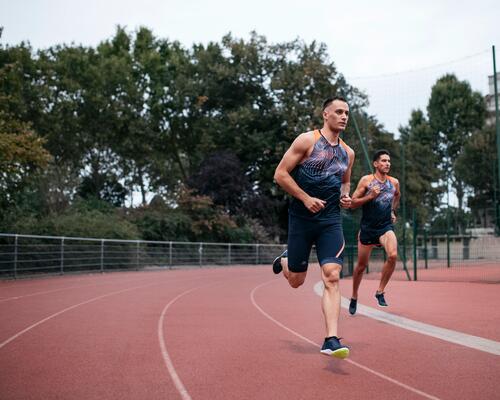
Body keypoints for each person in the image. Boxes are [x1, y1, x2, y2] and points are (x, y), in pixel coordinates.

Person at [272, 96, 355, 359]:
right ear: (326, 115)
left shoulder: (348, 153)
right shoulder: (306, 140)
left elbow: (345, 182)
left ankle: (331, 339)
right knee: (296, 281)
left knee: (331, 274)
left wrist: (345, 196)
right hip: (301, 219)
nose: (344, 117)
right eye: (339, 112)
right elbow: (280, 174)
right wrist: (305, 198)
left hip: (330, 221)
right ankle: (286, 261)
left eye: (347, 113)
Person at [348, 149, 401, 315]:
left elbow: (397, 196)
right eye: (383, 161)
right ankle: (354, 296)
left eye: (389, 161)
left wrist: (392, 211)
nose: (387, 164)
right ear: (376, 164)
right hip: (368, 229)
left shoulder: (394, 182)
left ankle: (380, 291)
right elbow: (352, 204)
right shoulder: (367, 181)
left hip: (385, 227)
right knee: (361, 267)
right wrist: (370, 196)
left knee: (392, 255)